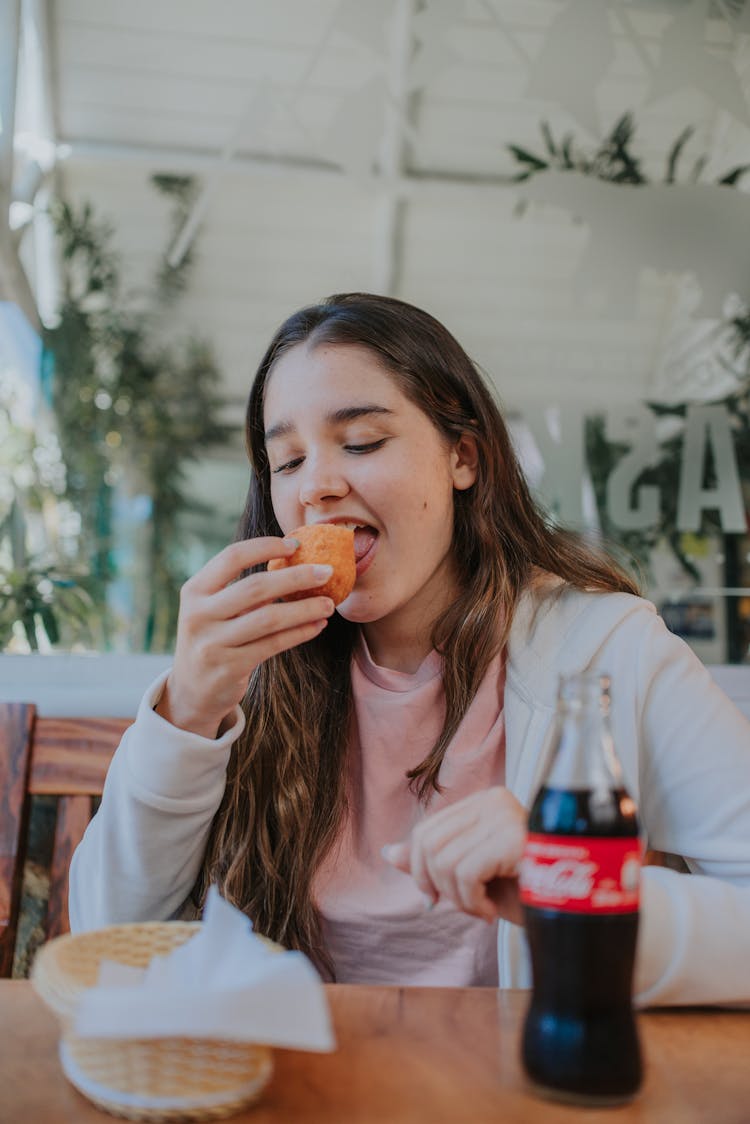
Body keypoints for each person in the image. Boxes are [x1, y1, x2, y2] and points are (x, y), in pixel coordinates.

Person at [70, 292, 750, 1004]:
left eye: (361, 442)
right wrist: (186, 710)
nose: (317, 487)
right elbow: (104, 944)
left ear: (463, 458)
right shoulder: (252, 671)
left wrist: (568, 875)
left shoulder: (609, 649)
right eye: (288, 460)